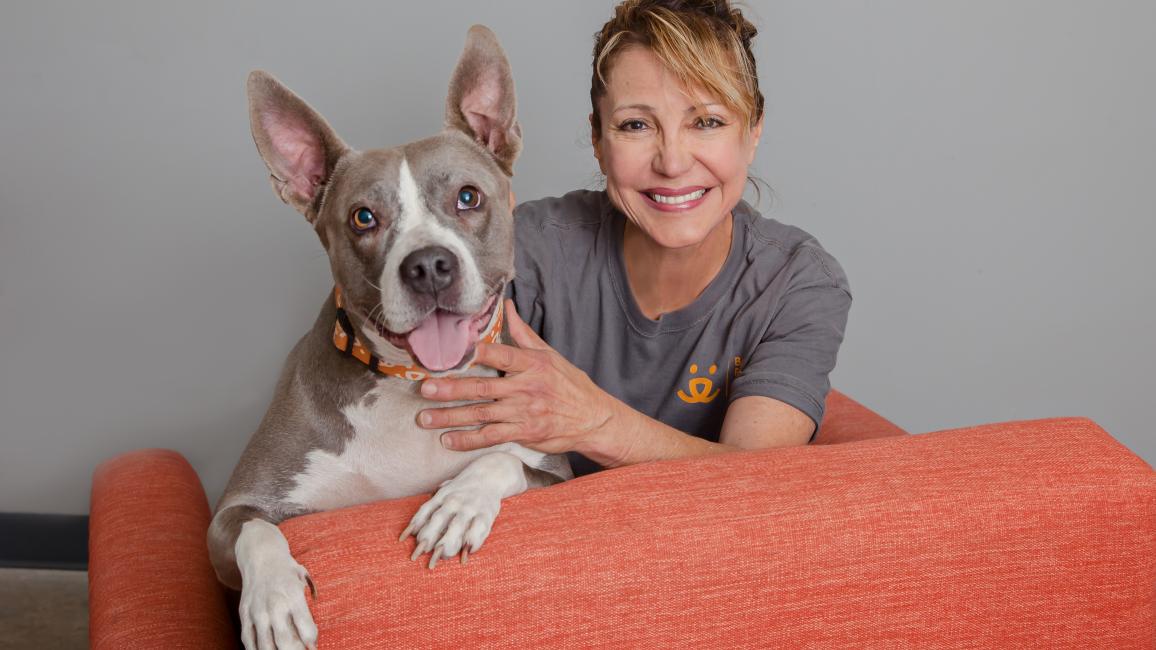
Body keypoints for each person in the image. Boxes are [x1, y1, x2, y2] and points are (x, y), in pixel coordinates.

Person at [417, 0, 852, 477]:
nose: (672, 162)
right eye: (636, 125)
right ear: (600, 142)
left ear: (752, 133)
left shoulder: (798, 282)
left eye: (707, 121)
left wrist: (593, 421)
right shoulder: (530, 249)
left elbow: (756, 480)